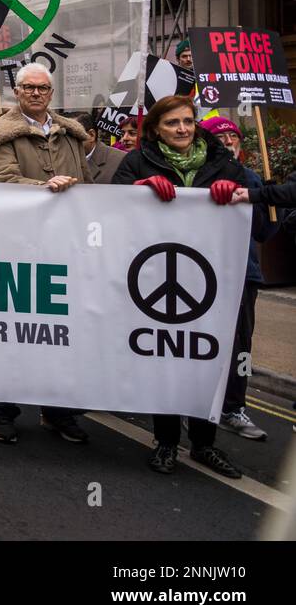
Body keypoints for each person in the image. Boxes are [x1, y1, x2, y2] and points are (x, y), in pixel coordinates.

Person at [110, 96, 263, 477]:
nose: (182, 129)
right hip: (156, 278)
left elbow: (258, 221)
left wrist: (238, 194)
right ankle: (165, 441)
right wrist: (140, 189)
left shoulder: (224, 163)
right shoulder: (136, 163)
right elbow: (110, 210)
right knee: (166, 359)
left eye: (188, 122)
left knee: (208, 359)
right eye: (172, 123)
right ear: (156, 129)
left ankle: (204, 443)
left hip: (214, 282)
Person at [0, 63, 92, 444]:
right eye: (28, 88)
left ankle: (58, 410)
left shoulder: (69, 134)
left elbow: (86, 185)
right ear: (17, 91)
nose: (36, 94)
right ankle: (3, 410)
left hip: (63, 245)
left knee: (61, 333)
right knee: (12, 331)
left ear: (51, 93)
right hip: (17, 246)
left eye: (43, 89)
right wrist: (44, 187)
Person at [199, 116, 271, 441]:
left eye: (233, 135)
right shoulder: (199, 177)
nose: (228, 141)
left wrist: (266, 197)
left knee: (240, 344)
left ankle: (233, 408)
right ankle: (195, 403)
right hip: (202, 274)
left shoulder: (254, 177)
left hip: (244, 273)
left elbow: (266, 232)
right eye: (220, 136)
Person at [74, 112, 125, 184]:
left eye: (71, 137)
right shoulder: (56, 160)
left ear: (91, 135)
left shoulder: (121, 160)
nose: (65, 142)